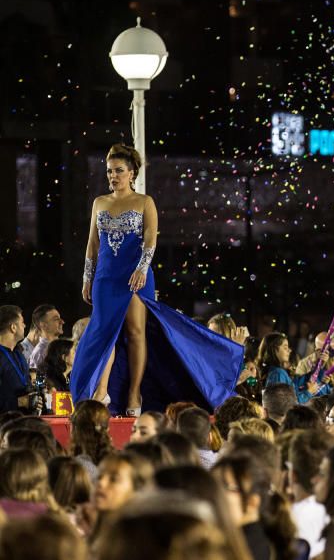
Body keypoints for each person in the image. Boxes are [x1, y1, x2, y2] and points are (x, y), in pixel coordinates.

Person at [71, 144, 243, 416]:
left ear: (132, 172)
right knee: (104, 332)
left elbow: (151, 239)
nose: (113, 176)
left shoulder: (144, 202)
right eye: (109, 171)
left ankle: (134, 393)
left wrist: (141, 269)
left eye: (118, 171)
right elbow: (92, 243)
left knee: (135, 333)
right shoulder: (100, 203)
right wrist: (87, 277)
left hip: (136, 276)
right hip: (106, 277)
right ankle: (101, 391)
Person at [0, 305, 31, 413]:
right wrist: (19, 402)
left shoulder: (18, 354)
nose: (25, 325)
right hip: (4, 427)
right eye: (22, 322)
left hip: (22, 422)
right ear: (13, 327)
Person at [21, 304, 65, 370]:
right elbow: (36, 379)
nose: (62, 322)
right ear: (43, 325)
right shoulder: (40, 353)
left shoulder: (61, 348)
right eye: (56, 319)